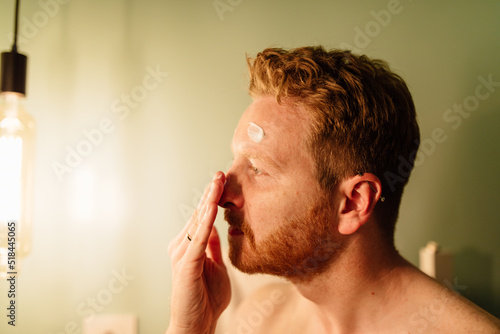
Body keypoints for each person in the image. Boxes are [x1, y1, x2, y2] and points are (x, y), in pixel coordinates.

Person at [166, 46, 500, 334]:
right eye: (236, 161)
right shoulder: (261, 318)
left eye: (257, 168)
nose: (223, 193)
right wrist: (190, 329)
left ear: (353, 202)